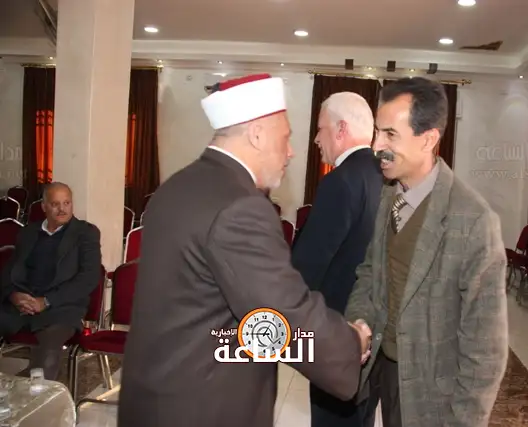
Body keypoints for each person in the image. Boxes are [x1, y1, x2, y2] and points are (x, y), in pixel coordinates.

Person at [118, 74, 372, 427]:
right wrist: (350, 343)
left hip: (157, 395)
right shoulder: (241, 206)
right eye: (285, 138)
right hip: (204, 404)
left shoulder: (177, 185)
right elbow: (281, 315)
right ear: (257, 134)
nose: (291, 152)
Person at [345, 77, 509, 427]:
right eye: (377, 132)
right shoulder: (388, 195)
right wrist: (359, 321)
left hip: (433, 398)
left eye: (390, 134)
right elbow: (371, 272)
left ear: (428, 139)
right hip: (383, 372)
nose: (376, 146)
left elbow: (486, 349)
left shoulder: (474, 221)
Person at [291, 92, 383, 427]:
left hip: (337, 335)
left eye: (320, 129)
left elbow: (307, 266)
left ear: (341, 129)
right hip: (372, 333)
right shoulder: (385, 178)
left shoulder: (340, 181)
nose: (316, 139)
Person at [0, 182, 102, 380]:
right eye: (55, 204)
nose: (62, 209)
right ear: (44, 206)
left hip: (61, 309)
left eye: (67, 203)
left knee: (46, 358)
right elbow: (9, 272)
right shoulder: (29, 232)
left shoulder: (85, 233)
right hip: (21, 305)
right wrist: (13, 296)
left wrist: (45, 301)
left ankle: (35, 395)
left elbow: (88, 278)